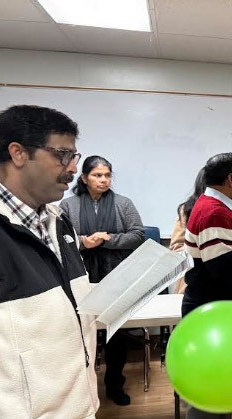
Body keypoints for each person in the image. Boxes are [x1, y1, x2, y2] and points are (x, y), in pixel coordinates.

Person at [0, 105, 98, 417]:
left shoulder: (59, 221)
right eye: (62, 154)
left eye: (74, 155)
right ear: (18, 153)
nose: (74, 168)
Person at [60, 155, 145, 406]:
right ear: (84, 178)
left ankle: (114, 385)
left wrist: (109, 239)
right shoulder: (68, 205)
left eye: (107, 175)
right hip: (81, 276)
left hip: (116, 276)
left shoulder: (123, 203)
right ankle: (80, 391)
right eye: (97, 175)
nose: (104, 180)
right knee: (78, 332)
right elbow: (62, 240)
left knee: (115, 334)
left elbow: (138, 235)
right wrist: (84, 242)